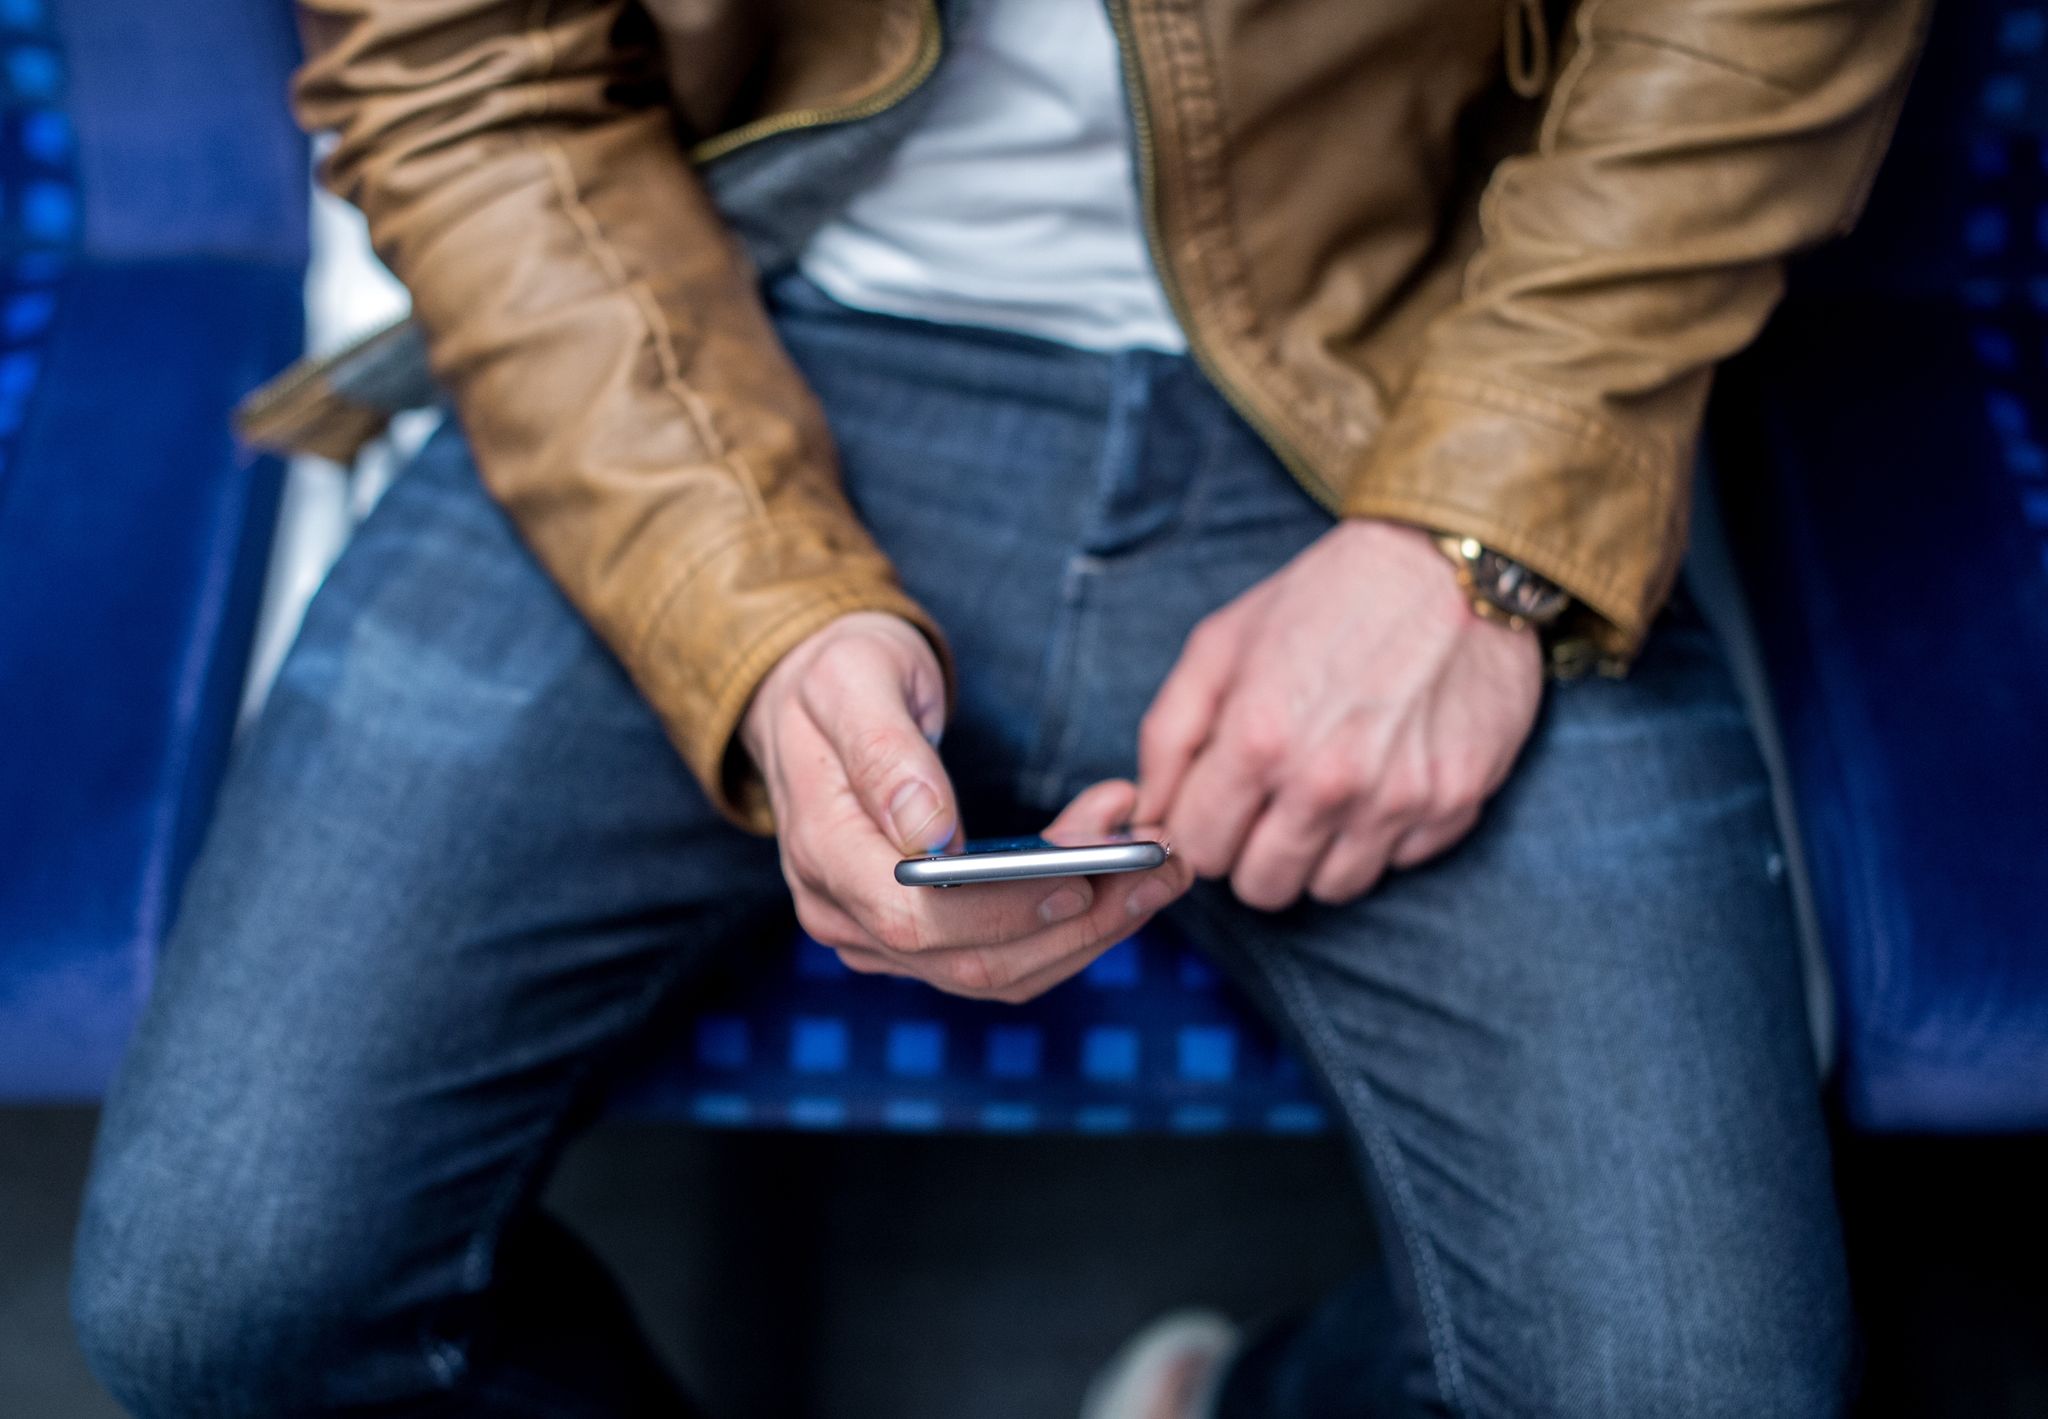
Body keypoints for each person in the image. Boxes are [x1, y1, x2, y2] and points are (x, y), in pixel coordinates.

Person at [70, 0, 1927, 1414]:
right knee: (223, 1300)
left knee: (1689, 1386)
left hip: (1424, 360)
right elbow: (465, 73)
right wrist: (752, 610)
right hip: (687, 337)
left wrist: (1477, 533)